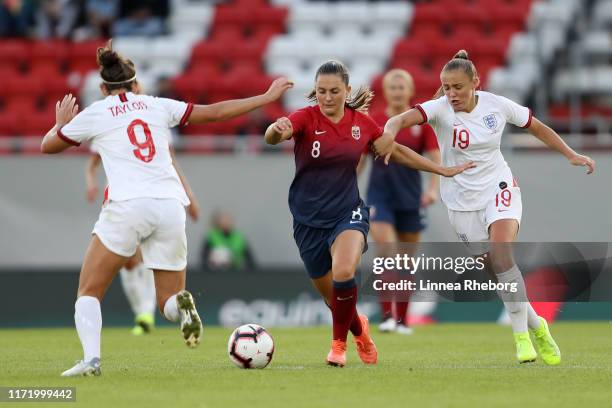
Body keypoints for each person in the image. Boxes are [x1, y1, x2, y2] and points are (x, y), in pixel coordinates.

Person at [41, 40, 293, 376]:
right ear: (136, 84)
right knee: (168, 301)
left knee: (89, 289)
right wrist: (265, 98)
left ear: (103, 88)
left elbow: (48, 147)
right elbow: (215, 111)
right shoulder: (157, 105)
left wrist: (59, 126)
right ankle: (183, 307)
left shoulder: (96, 113)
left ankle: (91, 360)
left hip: (128, 204)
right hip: (170, 205)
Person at [376, 50, 595, 365]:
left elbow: (536, 126)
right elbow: (399, 119)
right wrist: (389, 132)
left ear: (475, 84)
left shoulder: (497, 105)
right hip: (462, 204)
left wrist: (570, 153)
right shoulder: (438, 109)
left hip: (499, 188)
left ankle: (521, 340)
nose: (451, 94)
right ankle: (537, 325)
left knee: (503, 255)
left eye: (458, 88)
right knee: (499, 275)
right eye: (446, 87)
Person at [264, 60, 472, 367]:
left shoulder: (362, 124)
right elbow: (273, 137)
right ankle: (360, 331)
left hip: (348, 212)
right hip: (307, 219)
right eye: (321, 91)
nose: (327, 97)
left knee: (345, 271)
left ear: (347, 91)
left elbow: (398, 151)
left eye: (334, 91)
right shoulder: (305, 118)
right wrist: (274, 129)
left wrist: (439, 170)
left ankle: (339, 347)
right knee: (332, 298)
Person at [85, 143, 200, 335]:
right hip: (159, 201)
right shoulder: (117, 118)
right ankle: (148, 313)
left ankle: (144, 314)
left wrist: (190, 196)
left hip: (127, 202)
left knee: (132, 259)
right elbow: (93, 163)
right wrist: (190, 198)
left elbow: (170, 160)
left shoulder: (111, 116)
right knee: (132, 262)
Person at [366, 69, 440, 335]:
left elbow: (434, 158)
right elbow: (360, 160)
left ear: (410, 91)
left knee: (406, 262)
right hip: (379, 196)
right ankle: (386, 317)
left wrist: (432, 189)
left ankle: (402, 321)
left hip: (410, 197)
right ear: (386, 91)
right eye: (393, 87)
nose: (397, 91)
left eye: (402, 87)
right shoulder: (374, 120)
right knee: (386, 250)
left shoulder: (420, 123)